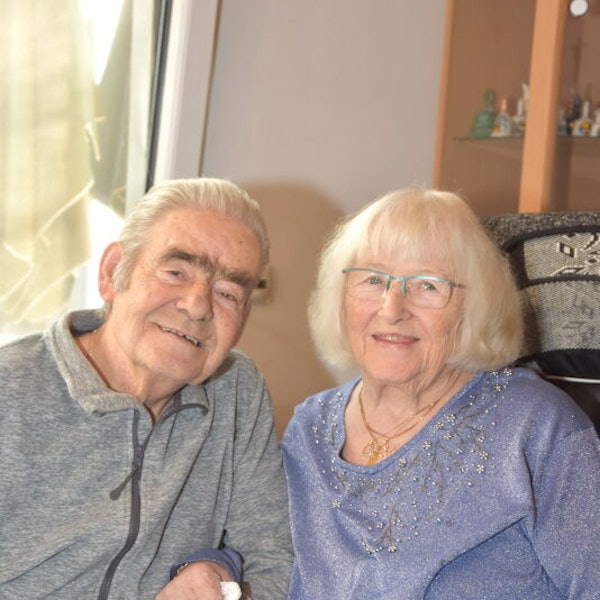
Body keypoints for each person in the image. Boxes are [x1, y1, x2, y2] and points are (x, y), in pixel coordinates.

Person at [281, 188, 600, 599]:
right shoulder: (310, 429)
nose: (392, 309)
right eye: (373, 279)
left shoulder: (535, 424)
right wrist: (216, 562)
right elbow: (266, 557)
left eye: (428, 286)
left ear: (475, 308)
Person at [0, 178, 292, 599]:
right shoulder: (10, 390)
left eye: (228, 293)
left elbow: (274, 560)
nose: (197, 305)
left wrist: (229, 589)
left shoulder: (236, 392)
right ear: (111, 272)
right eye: (176, 272)